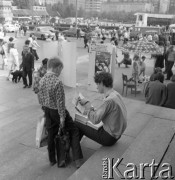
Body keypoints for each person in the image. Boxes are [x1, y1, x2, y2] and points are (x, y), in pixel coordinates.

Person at [38, 57, 83, 168]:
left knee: (51, 134)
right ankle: (77, 159)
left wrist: (45, 109)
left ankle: (52, 159)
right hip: (57, 111)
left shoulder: (42, 79)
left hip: (47, 111)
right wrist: (62, 117)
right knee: (74, 130)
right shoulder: (57, 82)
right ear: (57, 68)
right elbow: (60, 102)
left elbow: (40, 98)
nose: (60, 73)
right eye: (60, 70)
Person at [75, 72, 127, 147]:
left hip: (109, 137)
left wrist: (87, 104)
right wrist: (91, 109)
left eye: (97, 84)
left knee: (77, 122)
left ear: (102, 83)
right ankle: (75, 150)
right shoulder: (116, 94)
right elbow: (104, 112)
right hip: (117, 134)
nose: (96, 87)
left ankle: (74, 150)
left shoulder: (109, 100)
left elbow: (95, 120)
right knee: (83, 123)